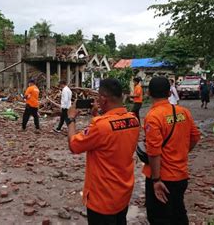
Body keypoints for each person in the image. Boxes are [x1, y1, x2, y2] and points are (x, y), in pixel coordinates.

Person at [68, 78, 140, 224]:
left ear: (103, 99)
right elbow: (111, 133)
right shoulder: (133, 121)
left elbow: (74, 145)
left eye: (98, 97)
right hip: (123, 193)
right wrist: (96, 115)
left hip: (102, 198)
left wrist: (70, 119)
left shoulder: (100, 126)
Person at [143, 76, 201, 225]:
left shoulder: (153, 117)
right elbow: (195, 136)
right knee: (179, 214)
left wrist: (156, 180)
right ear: (169, 93)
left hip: (162, 178)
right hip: (181, 175)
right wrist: (180, 152)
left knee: (160, 218)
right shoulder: (183, 112)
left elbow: (154, 151)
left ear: (148, 93)